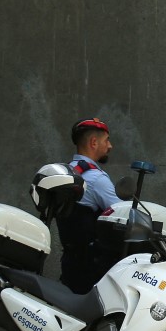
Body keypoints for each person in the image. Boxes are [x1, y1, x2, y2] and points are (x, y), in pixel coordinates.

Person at [56, 117, 122, 295]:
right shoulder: (96, 178)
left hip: (71, 262)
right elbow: (122, 214)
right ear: (94, 142)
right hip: (94, 267)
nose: (110, 146)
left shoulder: (68, 172)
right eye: (107, 140)